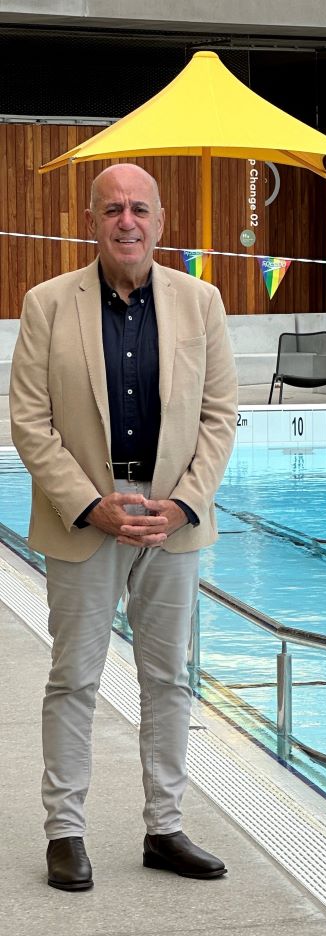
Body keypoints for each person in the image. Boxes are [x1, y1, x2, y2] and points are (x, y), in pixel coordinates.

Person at [10, 163, 238, 891]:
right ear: (91, 221)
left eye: (140, 208)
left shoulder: (201, 301)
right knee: (74, 678)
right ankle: (65, 830)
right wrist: (90, 502)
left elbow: (219, 416)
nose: (127, 221)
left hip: (172, 519)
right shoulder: (48, 303)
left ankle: (165, 826)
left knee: (167, 679)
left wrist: (183, 503)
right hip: (88, 516)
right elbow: (30, 421)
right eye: (113, 209)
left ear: (161, 222)